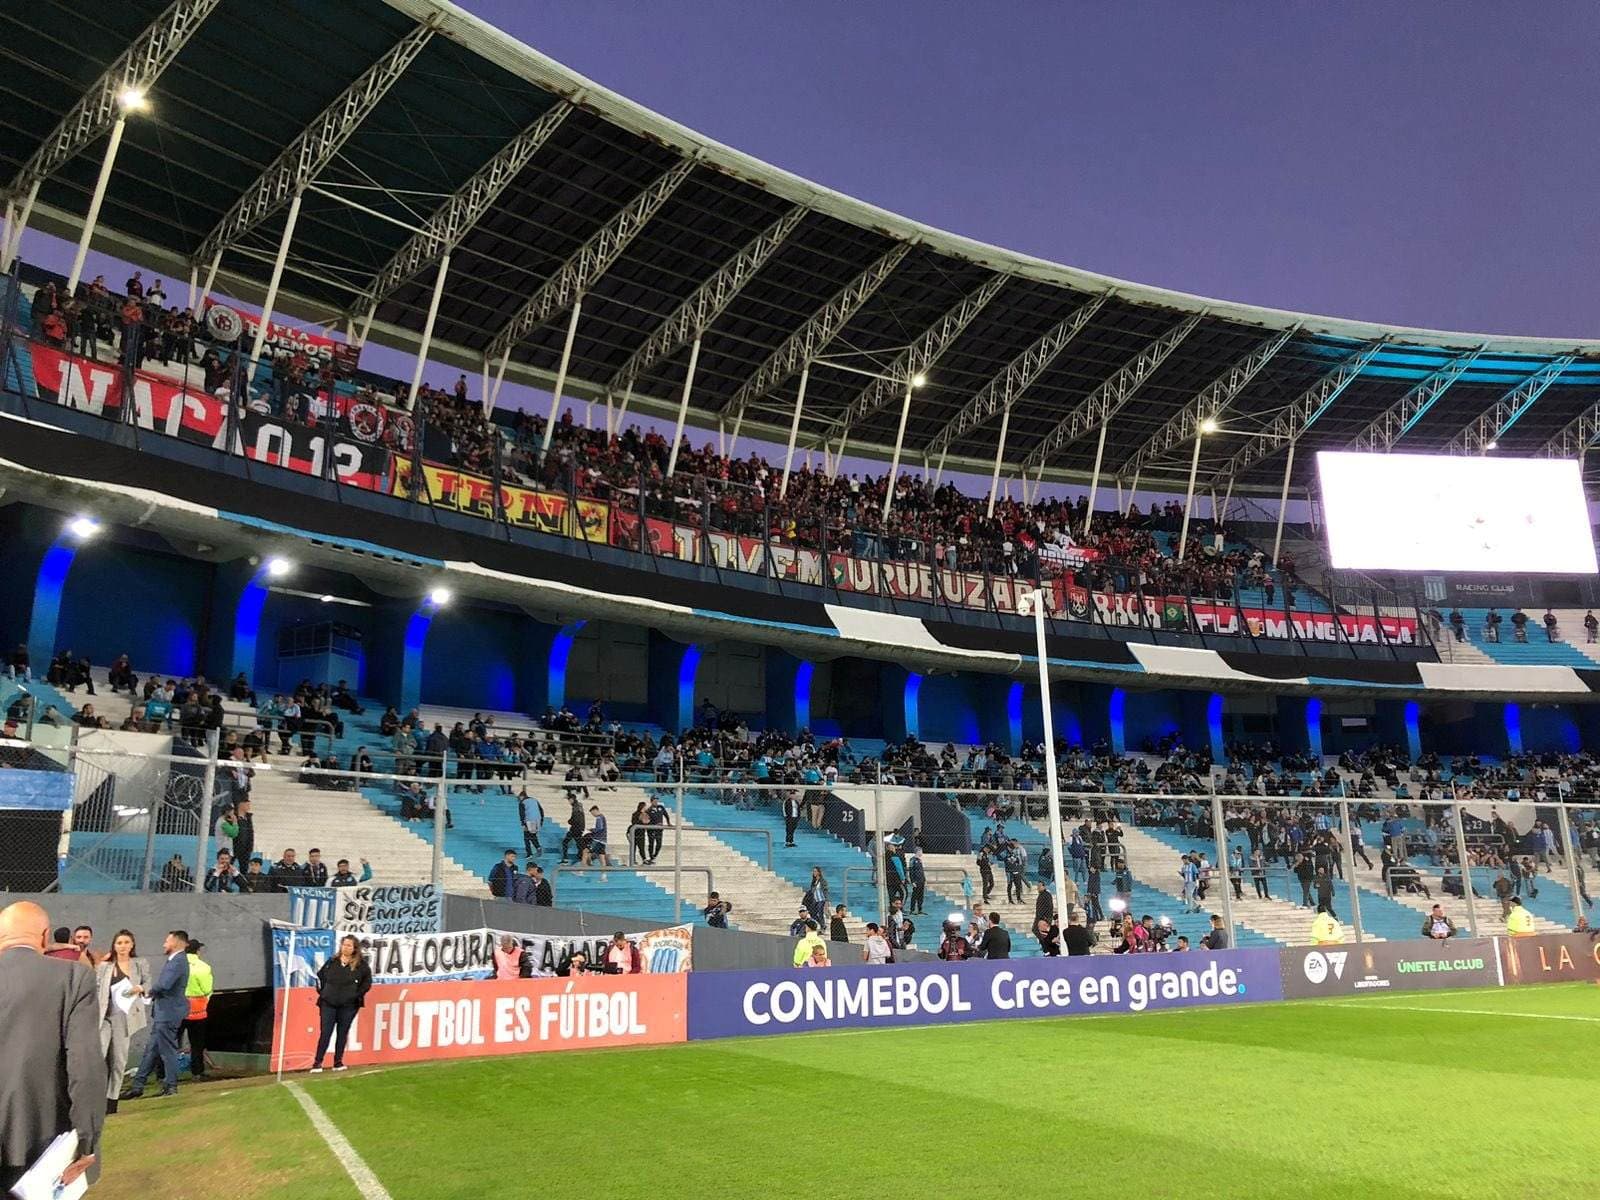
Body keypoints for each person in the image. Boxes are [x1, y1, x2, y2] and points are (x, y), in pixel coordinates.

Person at [0, 901, 104, 1192]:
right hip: (40, 1145)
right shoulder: (73, 977)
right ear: (45, 936)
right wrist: (87, 1141)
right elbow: (85, 1067)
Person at [122, 930, 190, 1100]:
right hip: (164, 1012)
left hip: (168, 1012)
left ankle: (170, 1086)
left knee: (167, 1051)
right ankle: (138, 1086)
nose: (164, 944)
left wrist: (145, 990)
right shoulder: (175, 960)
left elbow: (165, 985)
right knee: (151, 1050)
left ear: (175, 942)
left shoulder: (178, 961)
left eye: (167, 941)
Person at [96, 929, 150, 1113]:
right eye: (119, 943)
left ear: (132, 944)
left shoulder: (139, 964)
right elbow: (96, 987)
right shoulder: (105, 967)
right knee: (99, 1054)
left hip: (125, 1016)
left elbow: (149, 984)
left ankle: (112, 1100)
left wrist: (140, 988)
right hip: (104, 1015)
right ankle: (96, 1096)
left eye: (126, 942)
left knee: (119, 1060)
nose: (123, 946)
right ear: (114, 945)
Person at [310, 934, 372, 1072]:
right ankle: (317, 1062)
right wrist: (324, 993)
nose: (346, 948)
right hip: (328, 1003)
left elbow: (366, 983)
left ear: (355, 948)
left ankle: (338, 1062)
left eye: (349, 945)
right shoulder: (332, 962)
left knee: (342, 1033)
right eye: (344, 945)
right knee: (325, 1032)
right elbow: (320, 977)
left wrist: (355, 995)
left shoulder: (361, 966)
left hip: (348, 1006)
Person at [182, 939, 214, 1081]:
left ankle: (163, 1074)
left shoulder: (176, 965)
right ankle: (197, 1072)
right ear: (198, 951)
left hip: (178, 1007)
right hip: (197, 1009)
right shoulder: (203, 967)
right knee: (197, 1043)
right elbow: (207, 989)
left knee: (171, 1042)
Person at [517, 788, 544, 860]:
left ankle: (529, 853)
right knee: (532, 835)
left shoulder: (522, 802)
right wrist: (541, 821)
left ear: (521, 796)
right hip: (537, 820)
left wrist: (523, 823)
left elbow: (522, 814)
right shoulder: (535, 800)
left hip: (529, 821)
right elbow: (541, 810)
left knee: (526, 838)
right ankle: (538, 847)